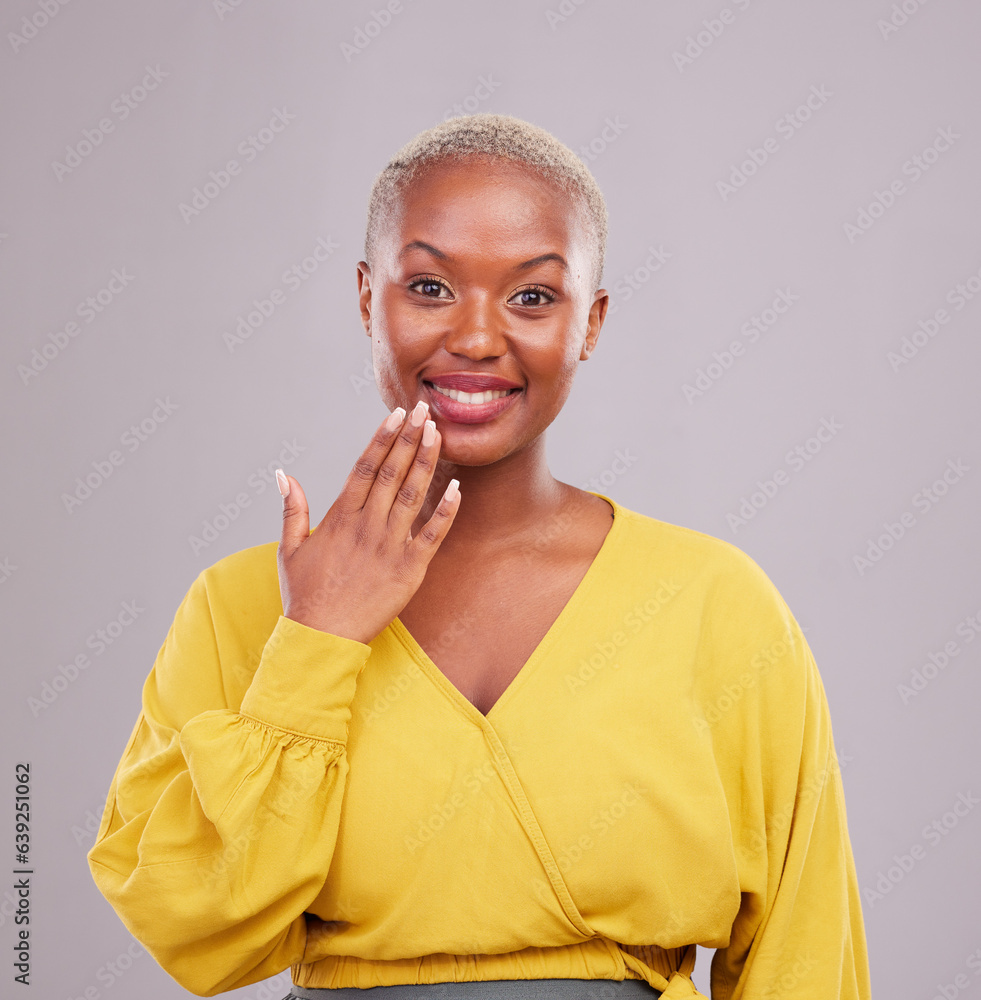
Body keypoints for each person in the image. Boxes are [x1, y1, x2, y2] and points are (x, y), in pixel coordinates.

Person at [87, 114, 872, 1000]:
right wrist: (317, 642)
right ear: (363, 297)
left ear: (591, 323)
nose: (474, 337)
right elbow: (190, 926)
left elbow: (806, 956)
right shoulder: (241, 606)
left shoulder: (715, 603)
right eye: (427, 286)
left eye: (532, 297)